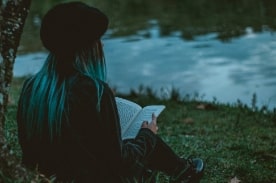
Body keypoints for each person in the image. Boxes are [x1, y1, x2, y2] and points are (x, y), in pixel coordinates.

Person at [17, 1, 204, 183]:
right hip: (92, 177)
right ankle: (184, 171)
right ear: (85, 48)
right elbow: (119, 162)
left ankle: (182, 169)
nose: (103, 45)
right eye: (98, 39)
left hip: (45, 177)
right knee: (144, 137)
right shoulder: (93, 91)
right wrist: (148, 135)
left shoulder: (31, 87)